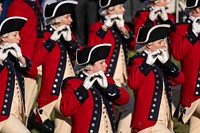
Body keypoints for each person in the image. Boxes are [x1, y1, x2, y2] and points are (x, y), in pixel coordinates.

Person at [30, 0, 80, 132]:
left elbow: (82, 59)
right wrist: (52, 40)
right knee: (74, 111)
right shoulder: (45, 35)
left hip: (69, 88)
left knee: (65, 124)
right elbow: (35, 60)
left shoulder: (68, 35)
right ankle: (38, 114)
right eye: (67, 17)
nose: (71, 20)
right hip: (55, 91)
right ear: (57, 20)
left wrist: (70, 41)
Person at [60, 43, 130, 133]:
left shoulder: (107, 80)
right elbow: (65, 110)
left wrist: (108, 87)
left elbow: (125, 99)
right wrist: (83, 88)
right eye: (101, 63)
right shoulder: (73, 83)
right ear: (88, 67)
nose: (106, 65)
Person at [88, 0, 135, 132]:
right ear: (110, 10)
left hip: (122, 78)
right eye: (121, 7)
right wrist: (104, 28)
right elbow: (92, 47)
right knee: (129, 107)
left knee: (114, 113)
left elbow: (134, 45)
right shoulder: (97, 27)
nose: (124, 10)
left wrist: (123, 29)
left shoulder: (121, 26)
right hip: (109, 77)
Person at [128, 24, 184, 133]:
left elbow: (180, 79)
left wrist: (167, 63)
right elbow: (133, 83)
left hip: (163, 120)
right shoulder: (138, 61)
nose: (164, 45)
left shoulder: (161, 62)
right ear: (149, 45)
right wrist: (147, 64)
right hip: (148, 123)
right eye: (160, 42)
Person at [6, 0, 45, 122]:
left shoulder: (35, 4)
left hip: (33, 58)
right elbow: (11, 33)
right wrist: (20, 58)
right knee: (20, 101)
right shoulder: (18, 4)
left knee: (29, 96)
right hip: (23, 58)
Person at [0, 16, 38, 133]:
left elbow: (33, 73)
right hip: (4, 113)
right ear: (3, 38)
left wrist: (21, 58)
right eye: (15, 35)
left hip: (16, 112)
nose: (19, 38)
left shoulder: (14, 55)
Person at [170, 0, 200, 132]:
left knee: (195, 128)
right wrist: (193, 33)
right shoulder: (180, 28)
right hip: (194, 92)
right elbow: (177, 54)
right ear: (198, 9)